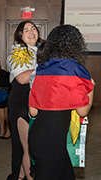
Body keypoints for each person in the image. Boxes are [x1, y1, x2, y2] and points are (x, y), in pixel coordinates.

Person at [28, 25, 94, 180]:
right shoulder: (74, 69)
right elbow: (82, 111)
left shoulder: (42, 68)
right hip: (54, 144)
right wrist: (91, 87)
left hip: (38, 139)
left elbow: (33, 112)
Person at [6, 20, 44, 180]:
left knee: (35, 146)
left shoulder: (45, 51)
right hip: (21, 103)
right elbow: (22, 78)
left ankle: (19, 176)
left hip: (40, 103)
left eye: (33, 28)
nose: (31, 32)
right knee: (29, 147)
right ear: (20, 35)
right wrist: (46, 69)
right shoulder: (17, 52)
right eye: (26, 30)